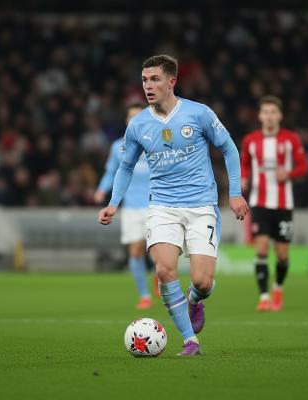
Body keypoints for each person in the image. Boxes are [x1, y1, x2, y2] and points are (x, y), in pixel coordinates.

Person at [98, 54, 249, 356]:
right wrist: (113, 203)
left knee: (202, 282)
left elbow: (229, 148)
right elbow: (125, 166)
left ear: (171, 81)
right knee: (165, 270)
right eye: (144, 80)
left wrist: (235, 193)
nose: (148, 86)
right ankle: (190, 340)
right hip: (162, 207)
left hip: (201, 206)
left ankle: (195, 299)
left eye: (154, 79)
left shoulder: (199, 113)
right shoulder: (138, 125)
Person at [240, 96, 308, 312]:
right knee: (261, 249)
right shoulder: (250, 140)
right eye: (265, 112)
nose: (269, 116)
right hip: (259, 203)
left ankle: (278, 288)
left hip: (283, 204)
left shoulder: (291, 139)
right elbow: (244, 164)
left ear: (280, 116)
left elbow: (303, 167)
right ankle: (264, 296)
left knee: (282, 255)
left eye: (273, 112)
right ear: (260, 116)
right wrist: (243, 178)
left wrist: (288, 174)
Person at [94, 102, 158, 310]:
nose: (135, 120)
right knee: (136, 251)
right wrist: (102, 189)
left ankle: (160, 276)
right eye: (131, 117)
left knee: (159, 251)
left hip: (157, 204)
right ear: (126, 120)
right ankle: (144, 295)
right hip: (131, 207)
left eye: (139, 116)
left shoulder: (157, 141)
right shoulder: (117, 147)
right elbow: (111, 172)